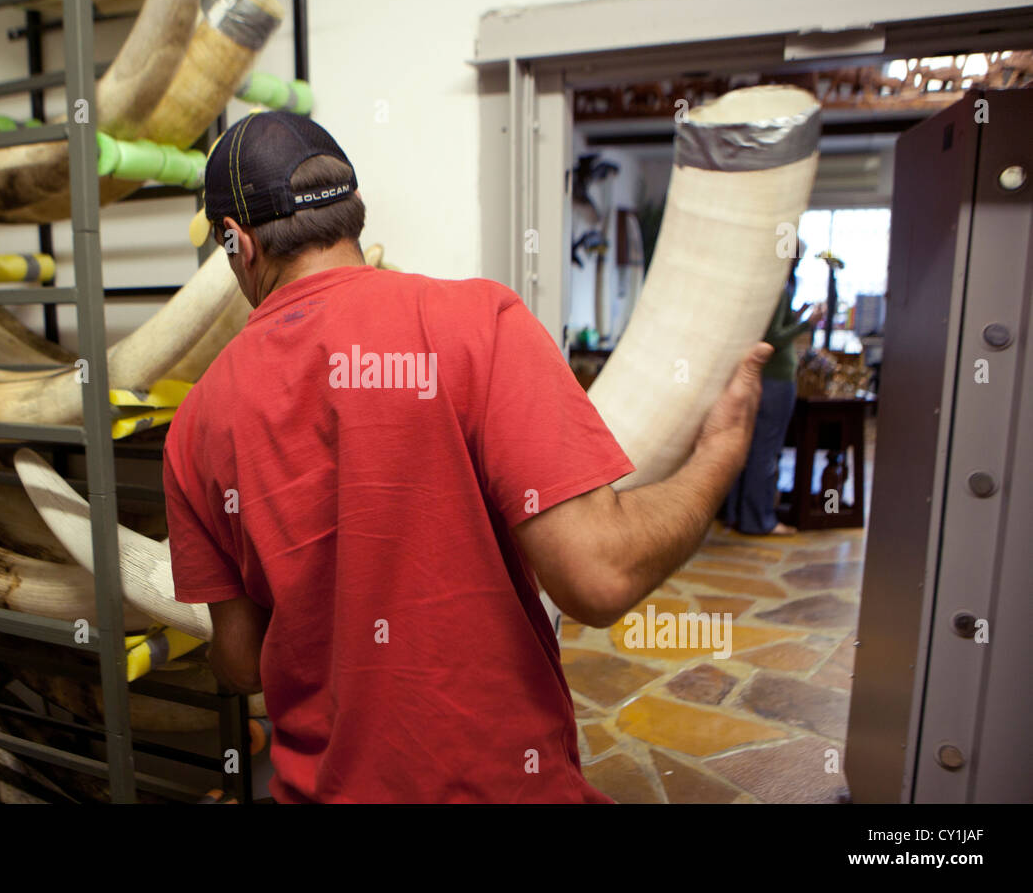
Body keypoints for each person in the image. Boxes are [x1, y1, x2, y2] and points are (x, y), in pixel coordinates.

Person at [162, 112, 771, 803]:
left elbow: (242, 663)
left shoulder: (193, 425)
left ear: (236, 242)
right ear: (353, 212)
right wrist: (720, 456)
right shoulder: (476, 322)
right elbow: (600, 574)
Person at [721, 247, 825, 536]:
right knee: (766, 452)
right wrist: (808, 323)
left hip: (762, 379)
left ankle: (737, 516)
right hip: (775, 378)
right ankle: (759, 520)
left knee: (752, 449)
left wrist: (798, 316)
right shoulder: (779, 286)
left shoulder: (764, 286)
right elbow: (773, 338)